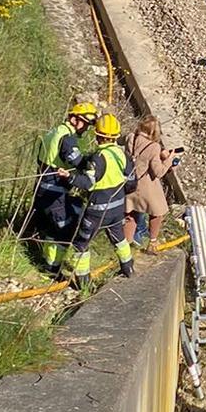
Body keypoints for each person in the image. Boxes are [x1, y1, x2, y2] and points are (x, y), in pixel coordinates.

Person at [63, 110, 134, 290]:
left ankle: (84, 283)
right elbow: (132, 183)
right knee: (119, 238)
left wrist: (69, 178)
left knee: (81, 244)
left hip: (98, 210)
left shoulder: (99, 157)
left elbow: (88, 183)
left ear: (98, 136)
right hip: (118, 207)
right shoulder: (122, 155)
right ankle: (128, 268)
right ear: (116, 136)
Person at [27, 99, 97, 271]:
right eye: (85, 124)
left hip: (43, 187)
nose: (86, 129)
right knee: (65, 227)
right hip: (53, 191)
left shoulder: (55, 131)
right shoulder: (67, 139)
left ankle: (46, 261)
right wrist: (93, 163)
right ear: (74, 119)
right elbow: (77, 162)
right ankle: (51, 268)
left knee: (50, 226)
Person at [124, 115, 176, 251]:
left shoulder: (130, 137)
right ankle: (152, 243)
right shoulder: (154, 147)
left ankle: (125, 245)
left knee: (130, 214)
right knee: (157, 212)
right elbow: (158, 172)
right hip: (146, 185)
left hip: (129, 183)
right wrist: (169, 160)